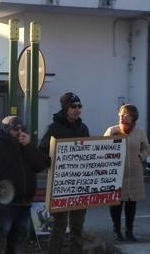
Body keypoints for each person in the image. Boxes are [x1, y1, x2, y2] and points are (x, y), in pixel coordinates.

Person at [0, 116, 51, 254]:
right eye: (16, 129)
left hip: (24, 204)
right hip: (3, 204)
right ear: (7, 130)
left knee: (17, 244)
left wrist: (29, 146)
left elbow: (40, 165)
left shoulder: (26, 147)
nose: (20, 132)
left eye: (23, 129)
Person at [39, 92, 90, 254]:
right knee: (59, 226)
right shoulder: (54, 128)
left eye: (79, 106)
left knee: (78, 226)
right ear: (65, 108)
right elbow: (42, 153)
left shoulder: (83, 128)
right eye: (73, 107)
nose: (77, 110)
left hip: (79, 185)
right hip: (60, 184)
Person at [103, 104, 150, 242]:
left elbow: (146, 147)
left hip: (134, 172)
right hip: (116, 172)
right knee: (116, 203)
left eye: (126, 115)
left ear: (134, 117)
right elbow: (102, 148)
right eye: (121, 114)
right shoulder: (112, 130)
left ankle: (129, 231)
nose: (122, 117)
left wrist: (141, 156)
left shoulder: (140, 132)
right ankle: (116, 230)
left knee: (131, 203)